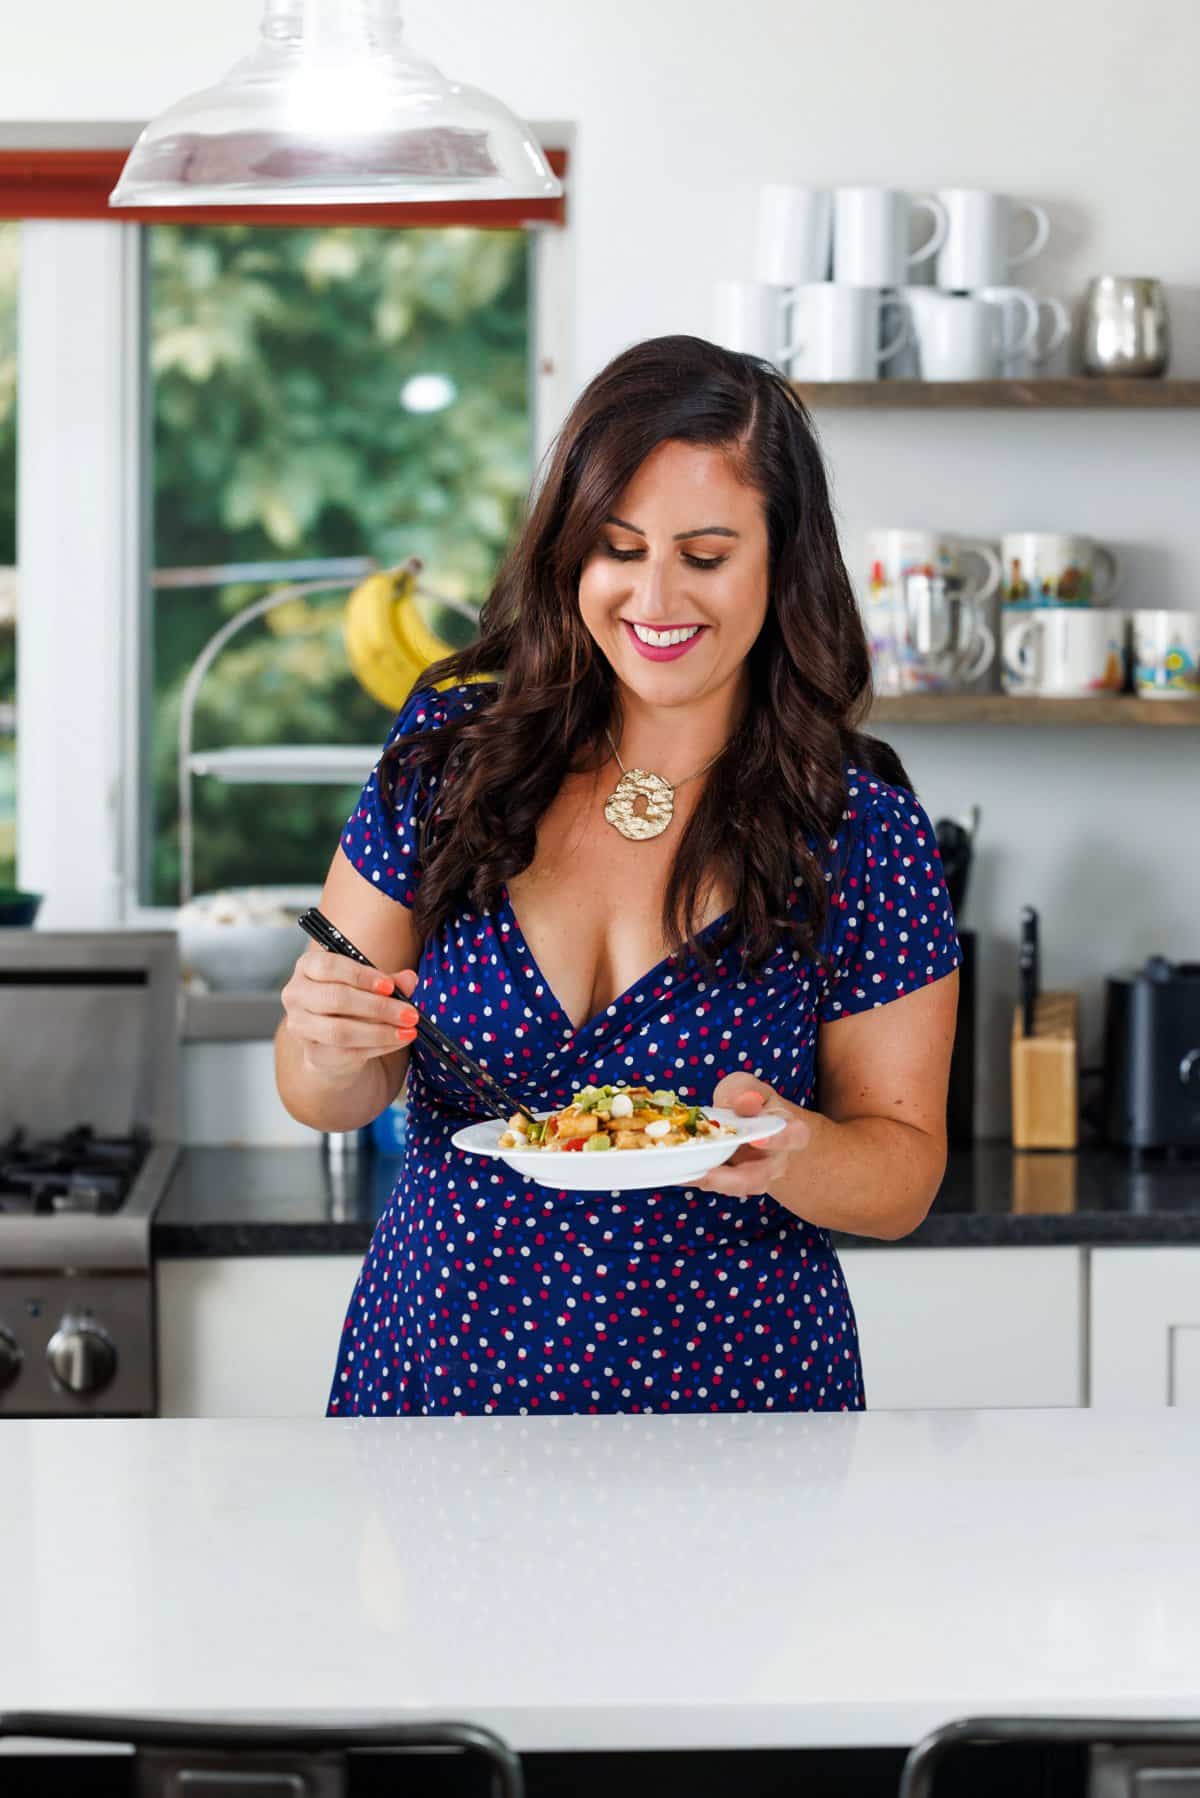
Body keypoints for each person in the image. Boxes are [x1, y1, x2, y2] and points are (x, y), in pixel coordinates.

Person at [275, 334, 962, 1417]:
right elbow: (326, 1091)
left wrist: (789, 1149)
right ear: (570, 552)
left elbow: (903, 1174)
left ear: (782, 562)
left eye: (704, 555)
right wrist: (325, 1036)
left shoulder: (862, 831)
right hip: (439, 1392)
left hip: (738, 1417)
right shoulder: (454, 755)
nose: (654, 595)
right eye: (617, 546)